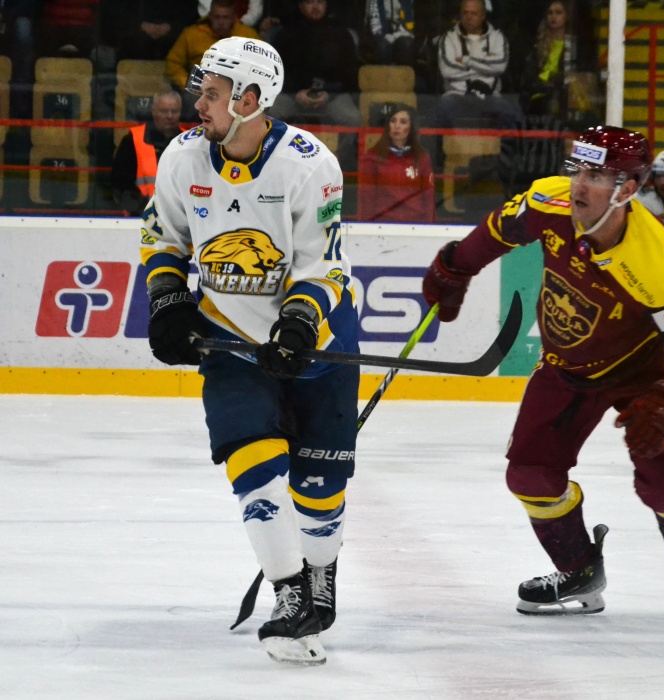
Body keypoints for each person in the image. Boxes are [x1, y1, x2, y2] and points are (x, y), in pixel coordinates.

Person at [421, 125, 664, 614]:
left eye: (596, 176)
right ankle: (579, 570)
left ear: (627, 190)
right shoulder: (550, 201)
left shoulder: (656, 262)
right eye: (577, 169)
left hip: (641, 372)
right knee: (529, 475)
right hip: (565, 367)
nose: (578, 185)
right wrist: (455, 266)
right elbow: (500, 231)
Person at [140, 36, 359, 665]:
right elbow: (163, 239)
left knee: (320, 491)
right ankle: (291, 594)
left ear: (251, 99)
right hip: (231, 341)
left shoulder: (309, 164)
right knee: (252, 465)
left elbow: (324, 267)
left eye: (211, 93)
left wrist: (295, 327)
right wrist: (167, 301)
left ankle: (320, 571)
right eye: (201, 89)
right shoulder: (183, 158)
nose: (197, 102)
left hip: (317, 342)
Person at [269, 0, 361, 168]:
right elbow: (275, 71)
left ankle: (338, 162)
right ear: (300, 5)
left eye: (320, 2)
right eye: (310, 2)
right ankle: (274, 161)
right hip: (292, 95)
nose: (316, 7)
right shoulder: (285, 33)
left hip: (331, 96)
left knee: (353, 118)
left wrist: (329, 93)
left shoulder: (341, 34)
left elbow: (350, 75)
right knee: (269, 114)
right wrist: (295, 92)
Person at [424, 0, 521, 131]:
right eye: (465, 13)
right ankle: (441, 151)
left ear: (483, 16)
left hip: (490, 97)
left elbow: (500, 66)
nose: (468, 17)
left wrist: (466, 60)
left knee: (514, 115)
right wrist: (485, 69)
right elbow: (447, 70)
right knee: (435, 114)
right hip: (456, 96)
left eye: (474, 13)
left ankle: (503, 151)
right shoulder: (448, 37)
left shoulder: (497, 37)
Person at [164, 0, 260, 119]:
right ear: (209, 17)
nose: (221, 22)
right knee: (193, 101)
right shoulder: (191, 34)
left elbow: (260, 65)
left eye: (225, 17)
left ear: (233, 18)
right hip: (201, 90)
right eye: (217, 17)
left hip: (238, 90)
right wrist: (188, 84)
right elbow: (173, 63)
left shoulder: (248, 36)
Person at [110, 89, 183, 217]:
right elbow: (120, 184)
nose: (170, 116)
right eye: (164, 111)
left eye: (174, 111)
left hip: (180, 219)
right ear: (153, 110)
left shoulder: (190, 141)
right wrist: (142, 210)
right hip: (140, 218)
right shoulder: (132, 140)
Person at [358, 104, 434, 222]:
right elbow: (367, 199)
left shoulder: (422, 158)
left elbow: (429, 199)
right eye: (393, 121)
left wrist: (430, 229)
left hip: (415, 224)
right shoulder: (372, 158)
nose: (397, 126)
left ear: (411, 127)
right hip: (383, 224)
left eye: (403, 122)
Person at [362, 0, 416, 66]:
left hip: (400, 32)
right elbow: (374, 22)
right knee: (383, 47)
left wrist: (395, 35)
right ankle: (383, 75)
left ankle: (402, 75)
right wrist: (384, 36)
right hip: (379, 31)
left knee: (407, 45)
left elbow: (409, 24)